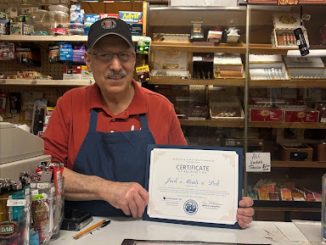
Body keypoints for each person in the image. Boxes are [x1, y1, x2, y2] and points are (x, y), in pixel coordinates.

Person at [43, 18, 254, 228]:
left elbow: (186, 177)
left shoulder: (161, 108)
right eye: (105, 56)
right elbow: (47, 172)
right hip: (81, 230)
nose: (116, 66)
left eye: (123, 55)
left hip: (149, 229)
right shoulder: (69, 104)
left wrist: (225, 205)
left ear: (134, 59)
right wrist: (105, 188)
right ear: (88, 60)